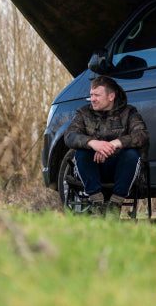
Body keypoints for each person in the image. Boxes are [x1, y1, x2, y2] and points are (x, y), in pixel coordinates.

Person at [64, 76, 149, 216]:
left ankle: (115, 205)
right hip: (92, 169)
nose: (92, 99)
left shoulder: (129, 113)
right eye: (91, 95)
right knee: (81, 153)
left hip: (119, 168)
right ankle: (97, 203)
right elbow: (69, 136)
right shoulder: (83, 113)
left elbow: (142, 135)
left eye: (97, 95)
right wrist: (93, 144)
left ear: (111, 96)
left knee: (131, 154)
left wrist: (114, 144)